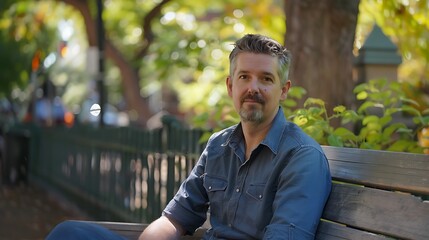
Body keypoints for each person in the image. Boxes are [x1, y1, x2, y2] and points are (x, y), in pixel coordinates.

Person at [46, 34, 331, 240]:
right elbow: (174, 219)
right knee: (69, 232)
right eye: (244, 77)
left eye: (266, 79)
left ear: (284, 90)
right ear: (231, 86)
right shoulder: (219, 146)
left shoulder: (302, 157)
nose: (252, 88)